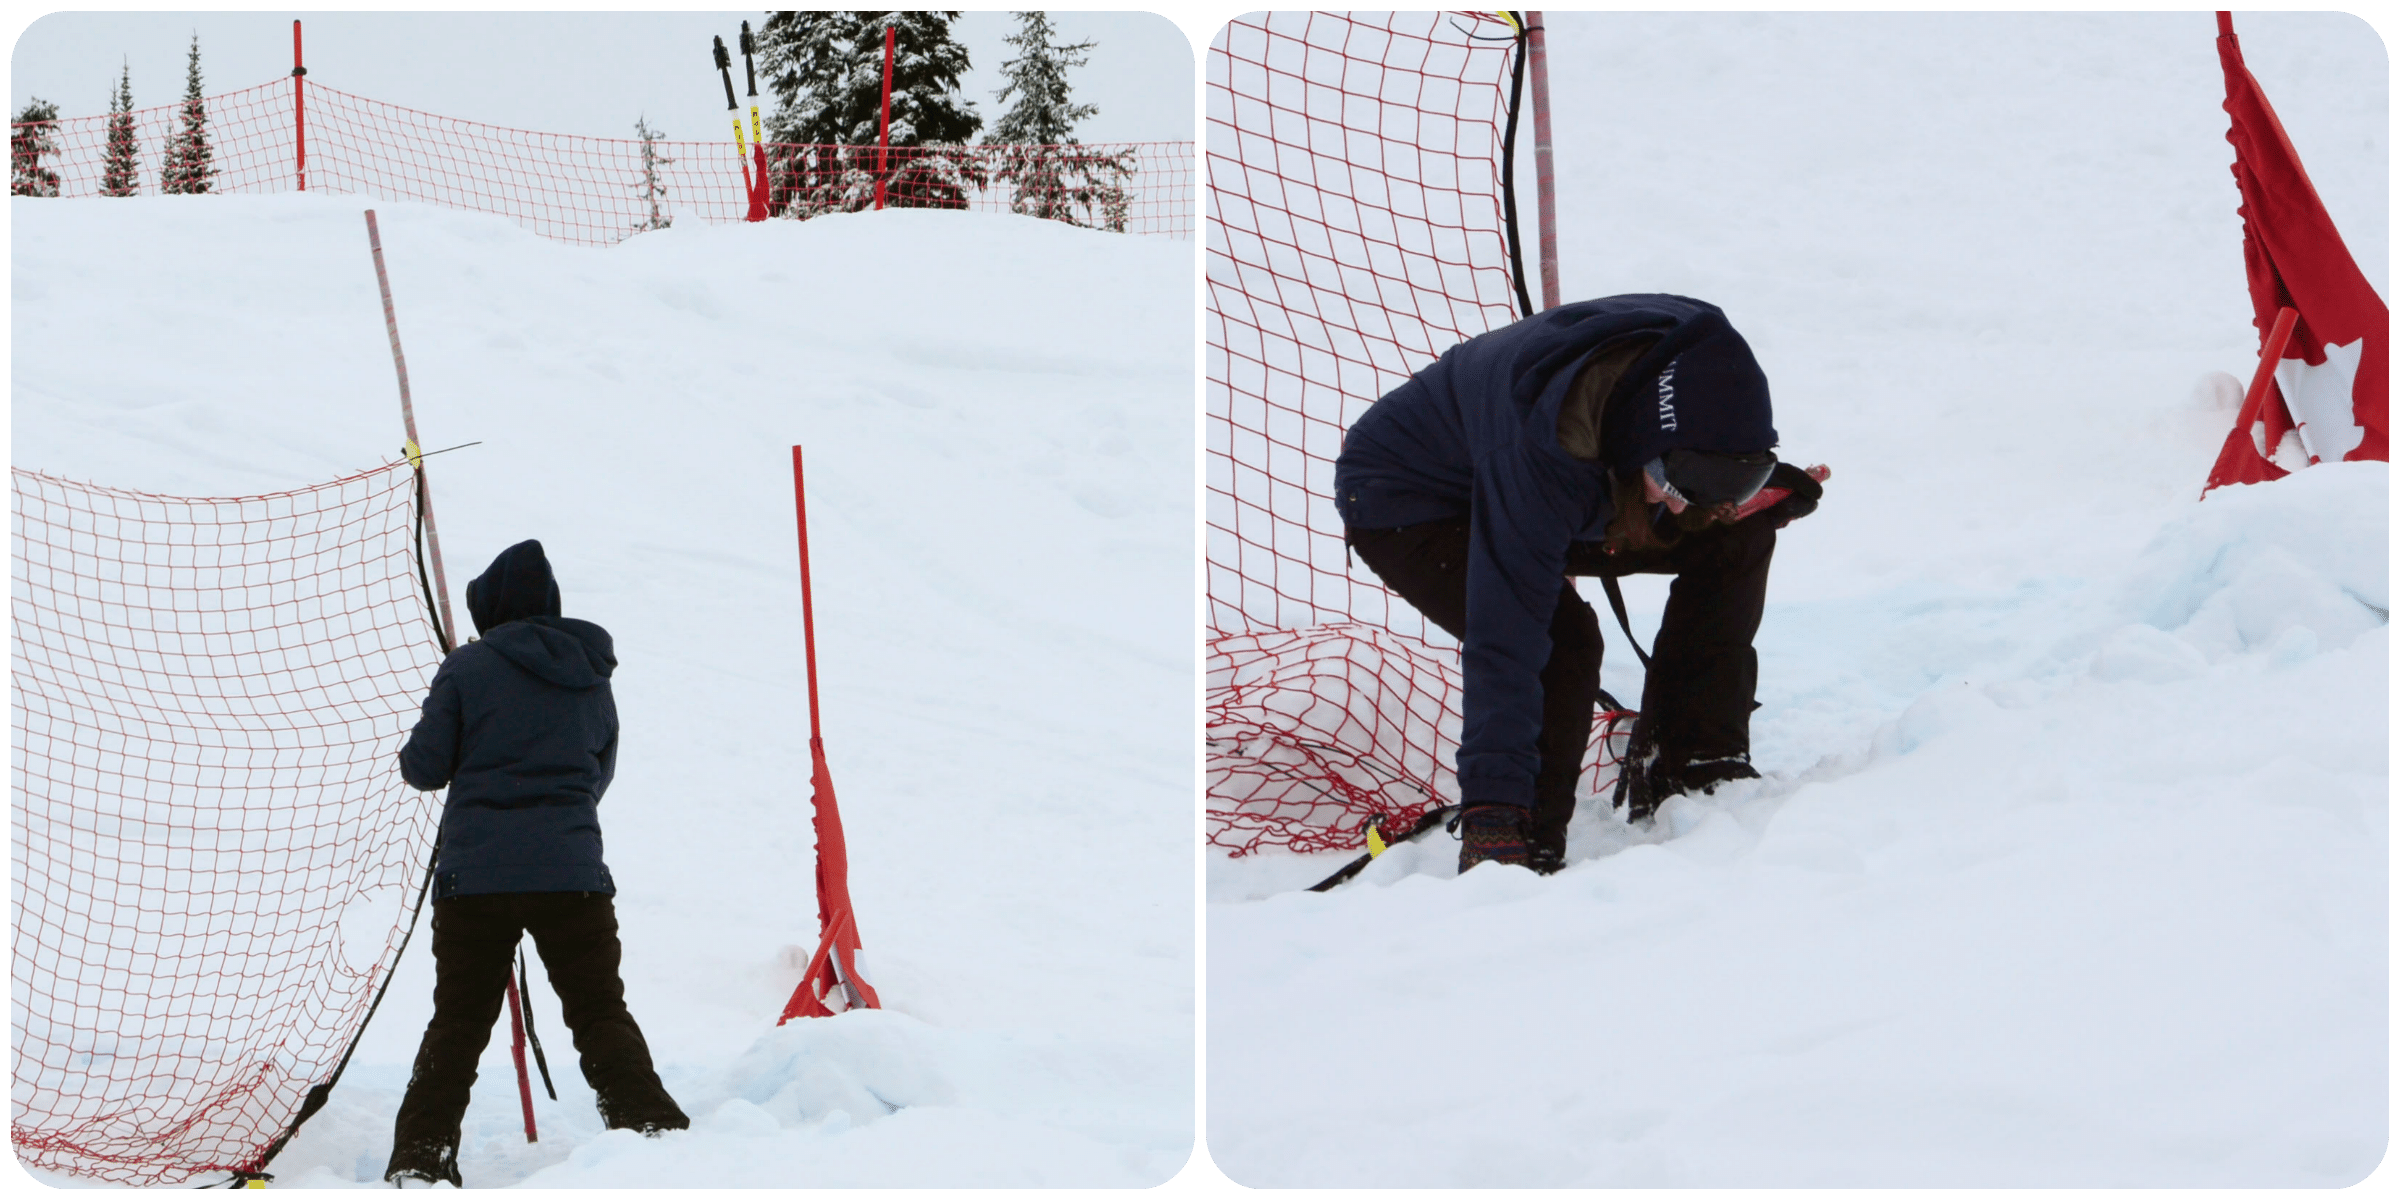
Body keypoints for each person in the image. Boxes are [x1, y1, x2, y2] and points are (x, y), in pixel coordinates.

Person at [1333, 294, 1827, 874]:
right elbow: (1506, 638)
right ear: (1643, 440)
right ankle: (1522, 844)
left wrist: (1737, 493)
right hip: (1413, 501)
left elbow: (1696, 452)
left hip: (1580, 474)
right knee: (1560, 641)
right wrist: (1494, 807)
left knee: (1735, 534)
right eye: (1675, 480)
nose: (1675, 500)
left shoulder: (1698, 365)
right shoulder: (1544, 449)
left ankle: (1696, 759)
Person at [385, 539, 688, 1187]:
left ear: (491, 608)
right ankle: (653, 1131)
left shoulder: (468, 667)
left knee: (460, 1024)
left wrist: (454, 697)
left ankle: (420, 1159)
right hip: (571, 875)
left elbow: (422, 768)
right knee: (599, 1011)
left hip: (476, 883)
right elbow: (596, 772)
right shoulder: (590, 670)